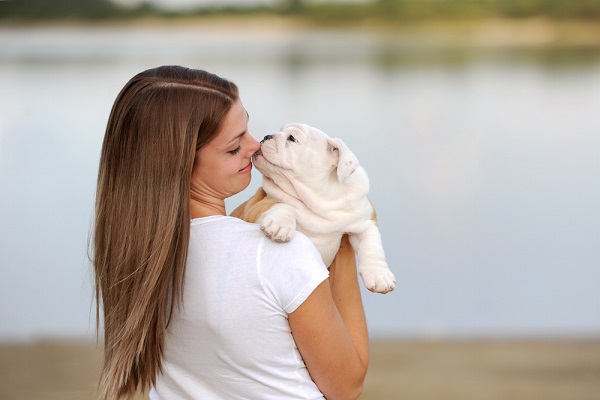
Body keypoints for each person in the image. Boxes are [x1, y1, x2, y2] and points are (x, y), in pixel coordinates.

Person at [93, 65, 369, 400]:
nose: (255, 146)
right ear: (181, 164)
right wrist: (341, 240)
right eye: (234, 147)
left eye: (248, 129)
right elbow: (347, 385)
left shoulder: (132, 256)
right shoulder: (276, 253)